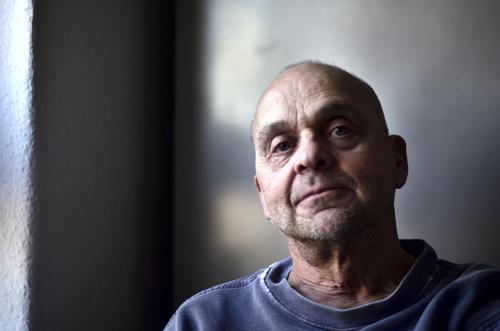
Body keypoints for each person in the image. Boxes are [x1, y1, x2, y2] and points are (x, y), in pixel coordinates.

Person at [165, 62, 500, 330]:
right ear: (263, 197)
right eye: (282, 146)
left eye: (339, 130)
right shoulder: (204, 322)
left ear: (397, 160)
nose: (310, 156)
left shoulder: (480, 306)